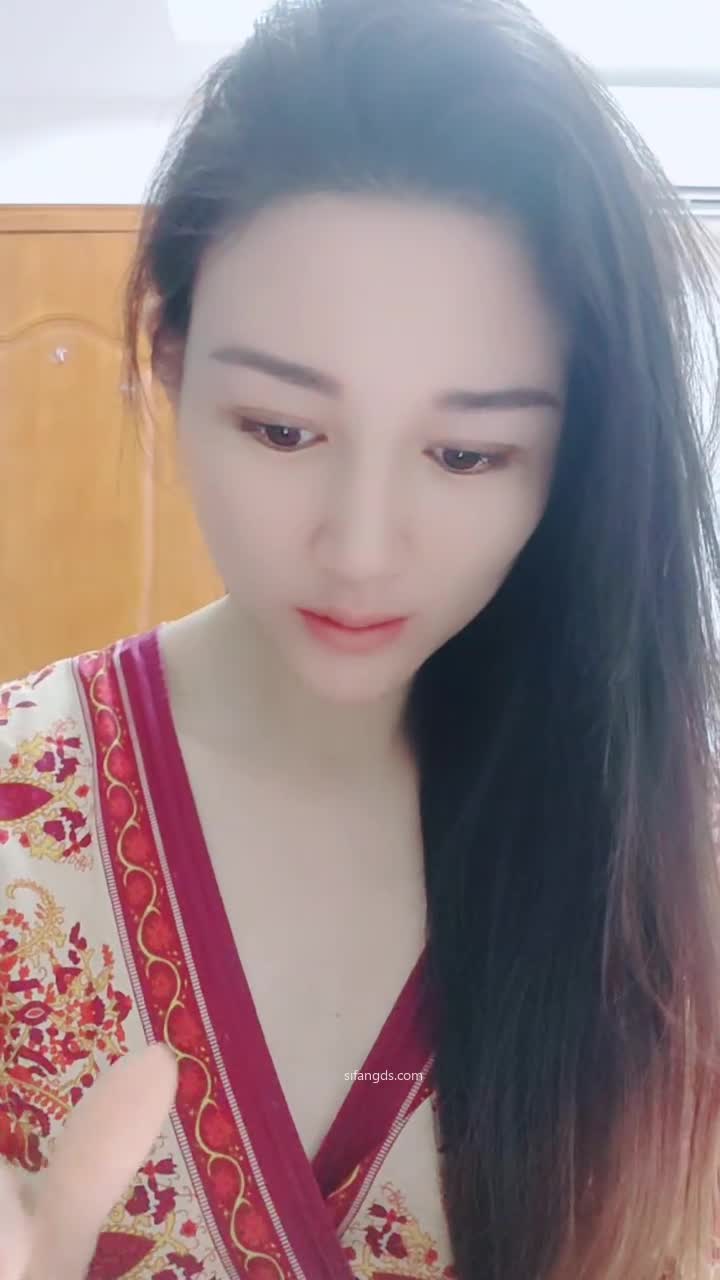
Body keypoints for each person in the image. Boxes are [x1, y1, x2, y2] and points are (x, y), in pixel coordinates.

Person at [3, 0, 720, 1276]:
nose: (363, 548)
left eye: (468, 453)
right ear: (171, 360)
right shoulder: (19, 807)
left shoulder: (670, 873)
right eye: (283, 429)